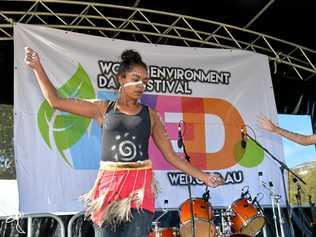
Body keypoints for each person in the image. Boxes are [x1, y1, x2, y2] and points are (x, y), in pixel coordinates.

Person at [24, 47, 224, 237]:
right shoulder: (103, 109)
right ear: (121, 79)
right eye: (135, 79)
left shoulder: (151, 115)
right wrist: (38, 68)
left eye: (145, 81)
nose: (141, 86)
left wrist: (205, 177)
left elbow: (171, 156)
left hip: (140, 191)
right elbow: (55, 101)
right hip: (108, 190)